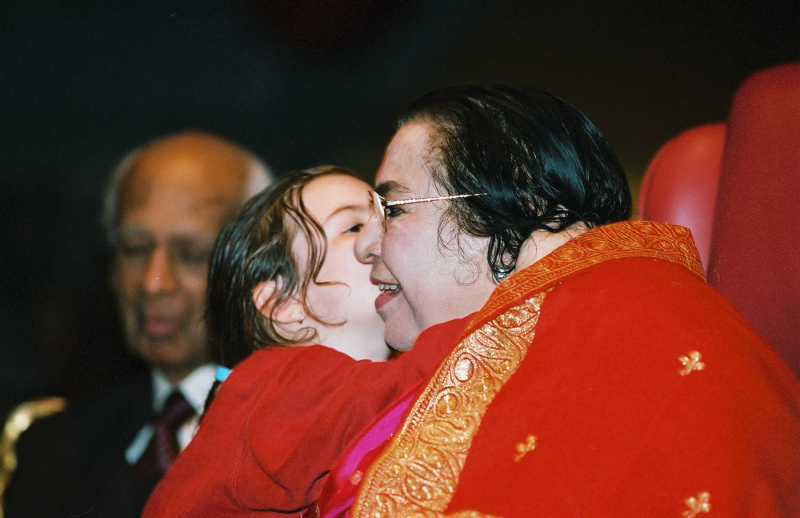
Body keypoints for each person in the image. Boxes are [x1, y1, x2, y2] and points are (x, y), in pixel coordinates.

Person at [315, 85, 800, 517]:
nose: (366, 244)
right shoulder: (580, 322)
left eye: (394, 208)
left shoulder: (635, 330)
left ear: (517, 198)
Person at [143, 167, 458, 517]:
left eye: (388, 217)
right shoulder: (276, 382)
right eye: (353, 226)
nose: (381, 239)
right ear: (282, 304)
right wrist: (507, 296)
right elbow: (432, 380)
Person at [3, 131, 273, 518]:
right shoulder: (53, 450)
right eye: (135, 249)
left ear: (261, 267)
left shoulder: (303, 441)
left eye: (191, 254)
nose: (153, 281)